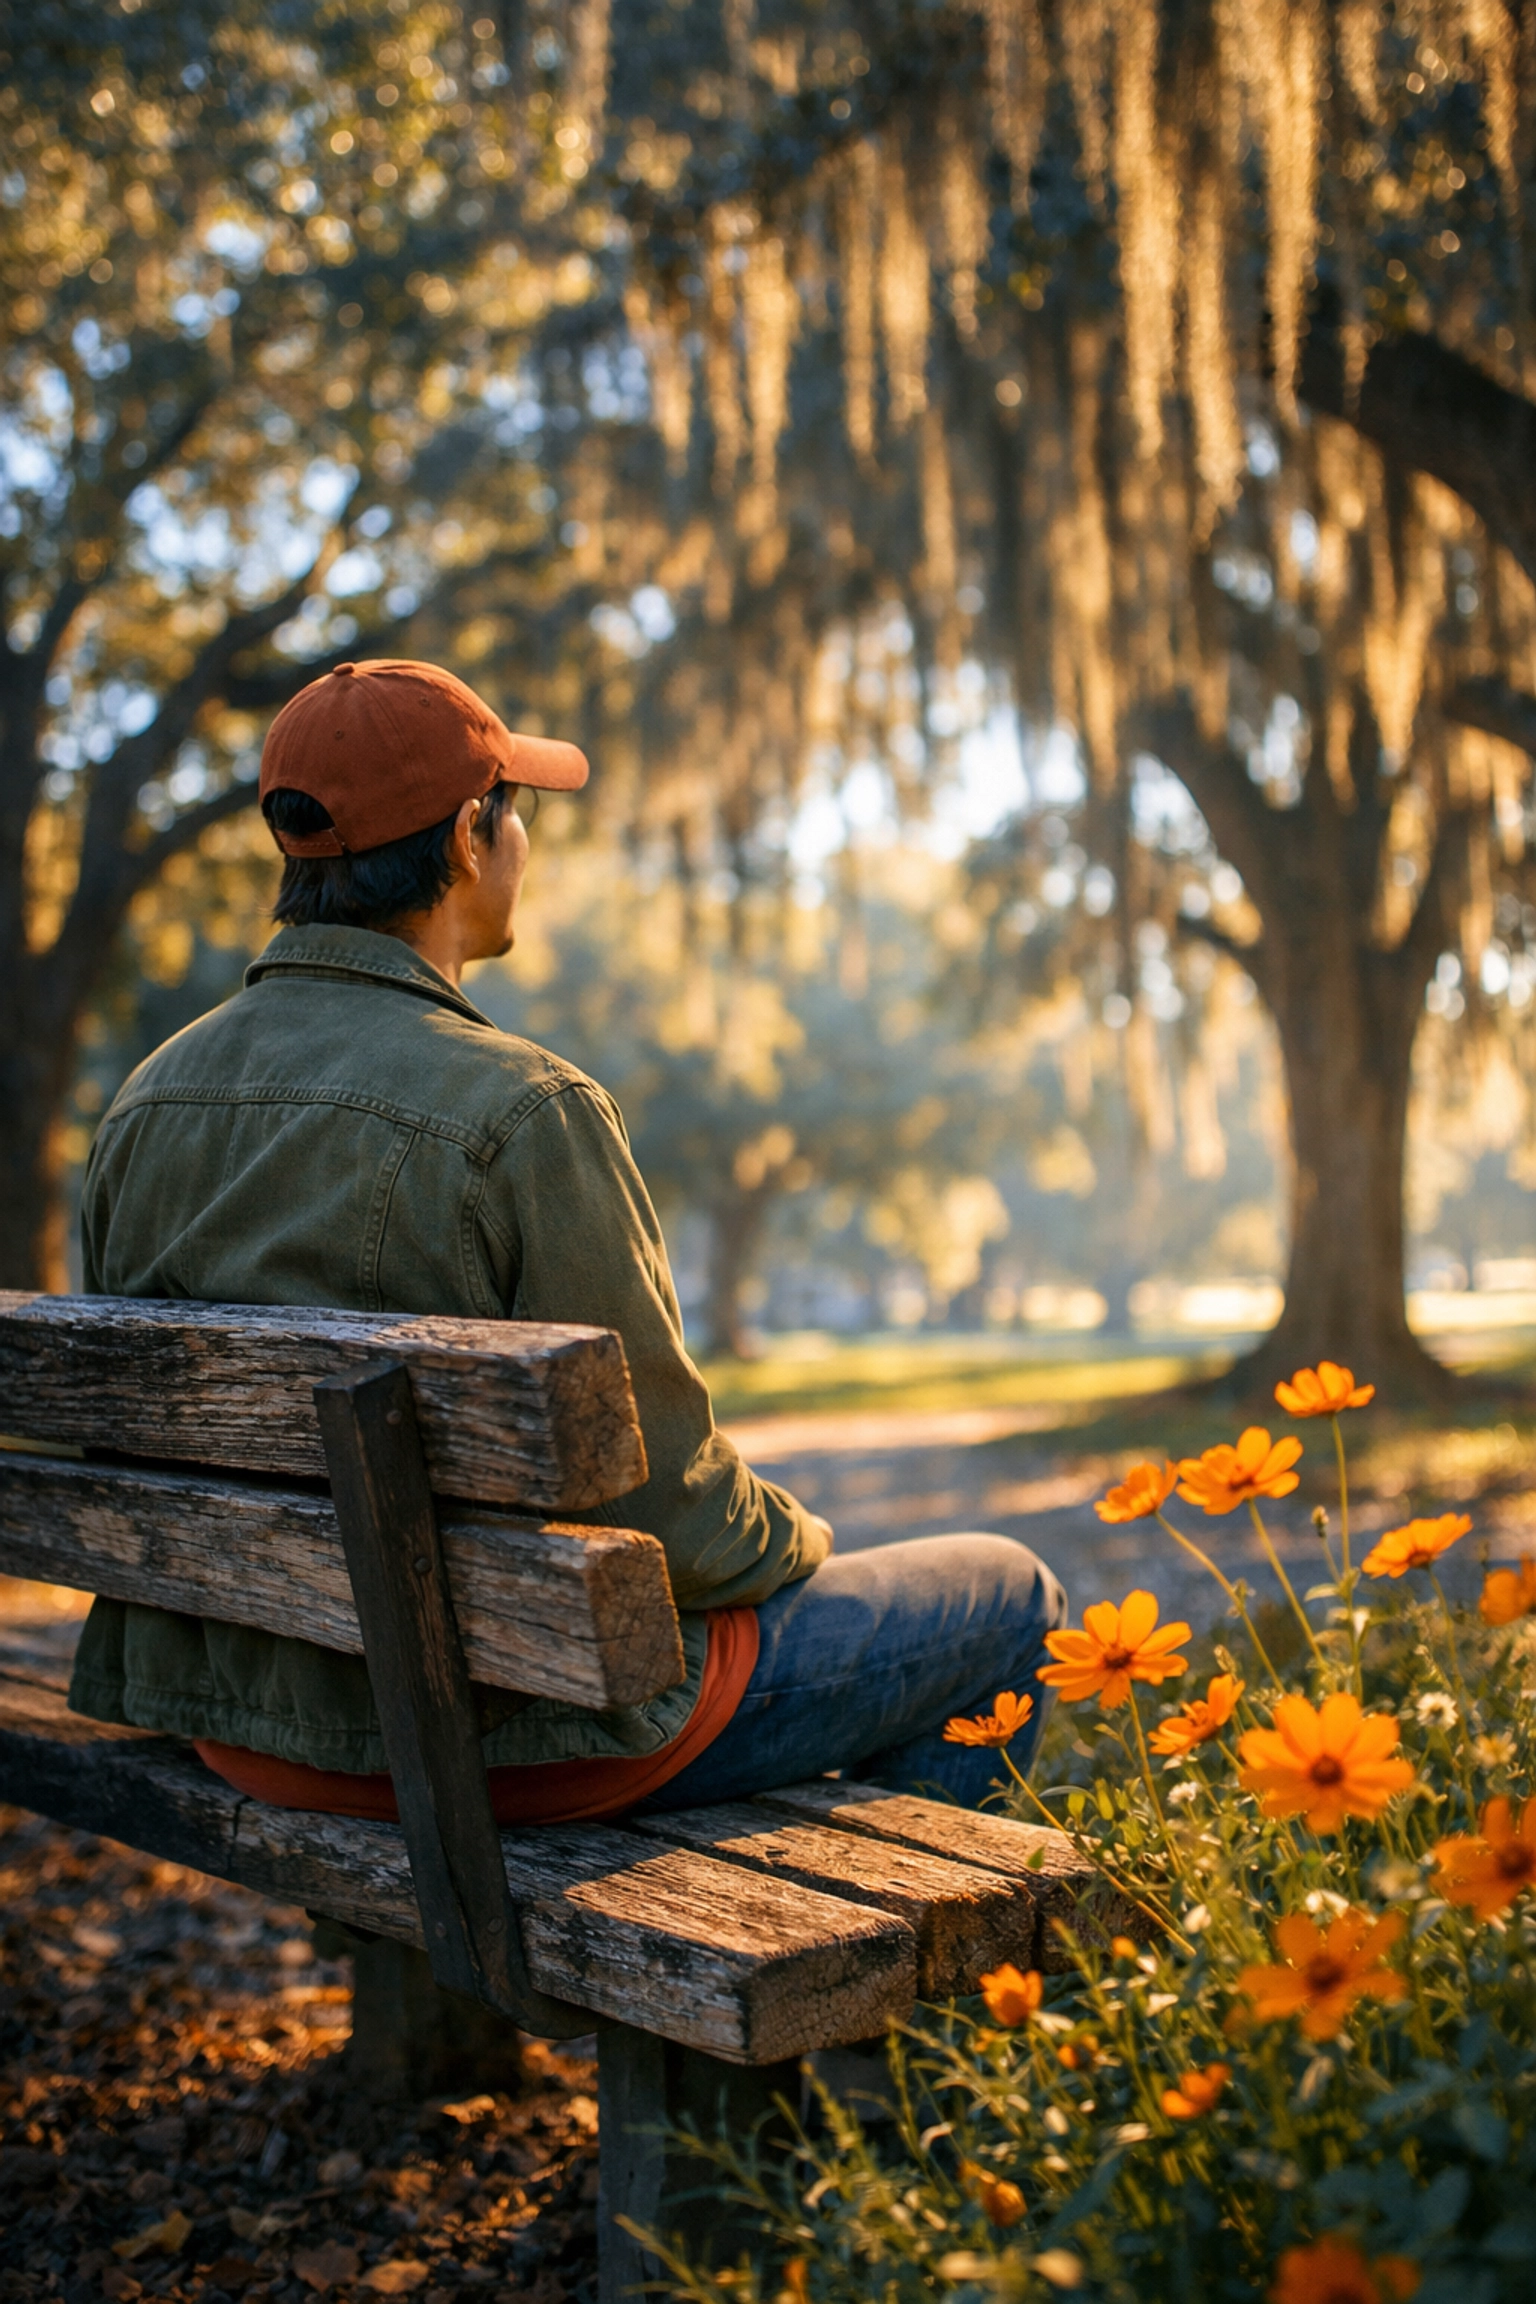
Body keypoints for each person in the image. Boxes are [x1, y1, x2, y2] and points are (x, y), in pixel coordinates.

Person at [69, 659, 1067, 1824]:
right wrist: (802, 1537)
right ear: (466, 838)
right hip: (506, 1740)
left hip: (245, 1729)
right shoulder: (529, 1112)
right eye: (516, 811)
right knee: (1010, 1595)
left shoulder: (145, 1103)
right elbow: (678, 1523)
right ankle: (906, 1991)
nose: (524, 842)